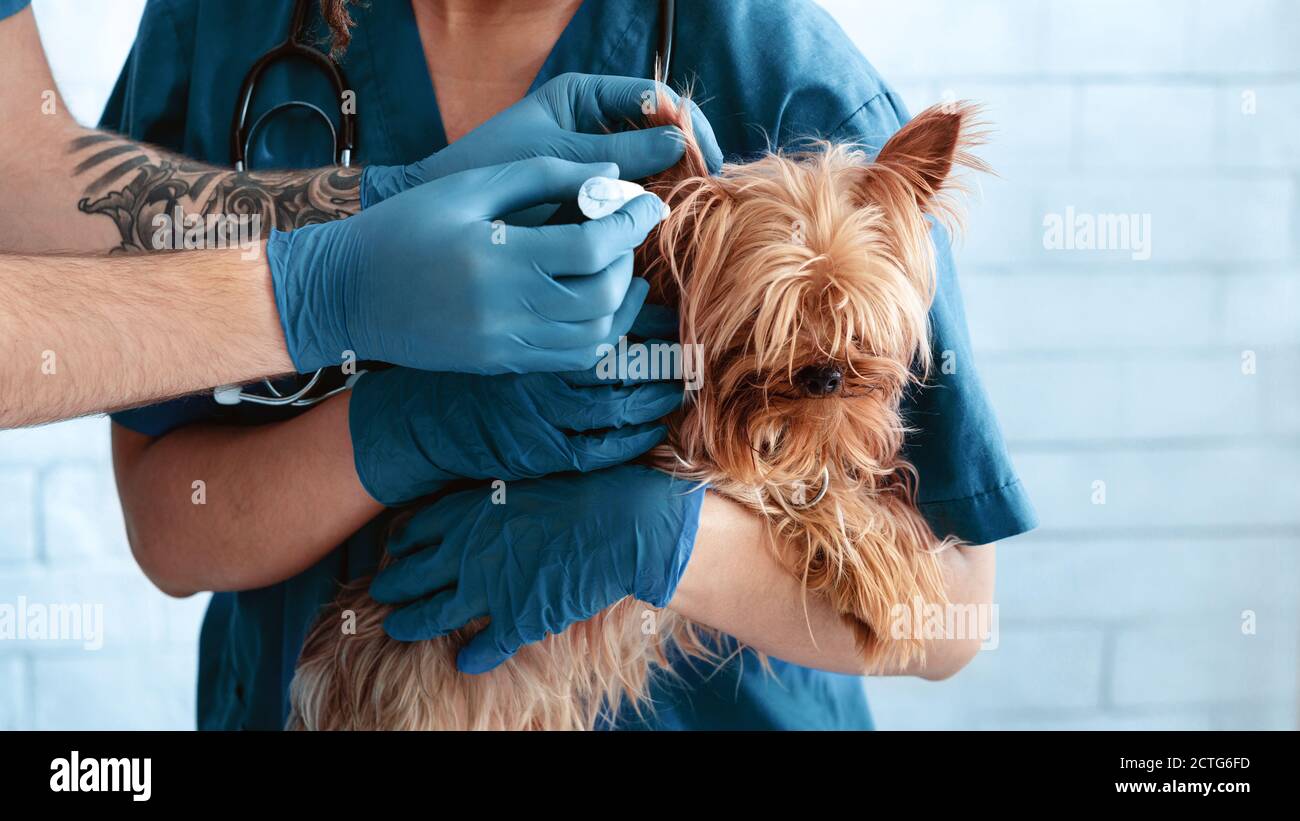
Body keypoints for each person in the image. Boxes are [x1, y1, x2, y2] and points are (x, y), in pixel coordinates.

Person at [110, 0, 1036, 730]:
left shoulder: (786, 76)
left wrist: (664, 541)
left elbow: (952, 615)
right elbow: (169, 527)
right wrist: (400, 429)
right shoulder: (222, 24)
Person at [0, 0, 704, 426]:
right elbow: (168, 512)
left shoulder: (768, 49)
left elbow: (22, 178)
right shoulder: (221, 21)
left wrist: (382, 200)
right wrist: (325, 298)